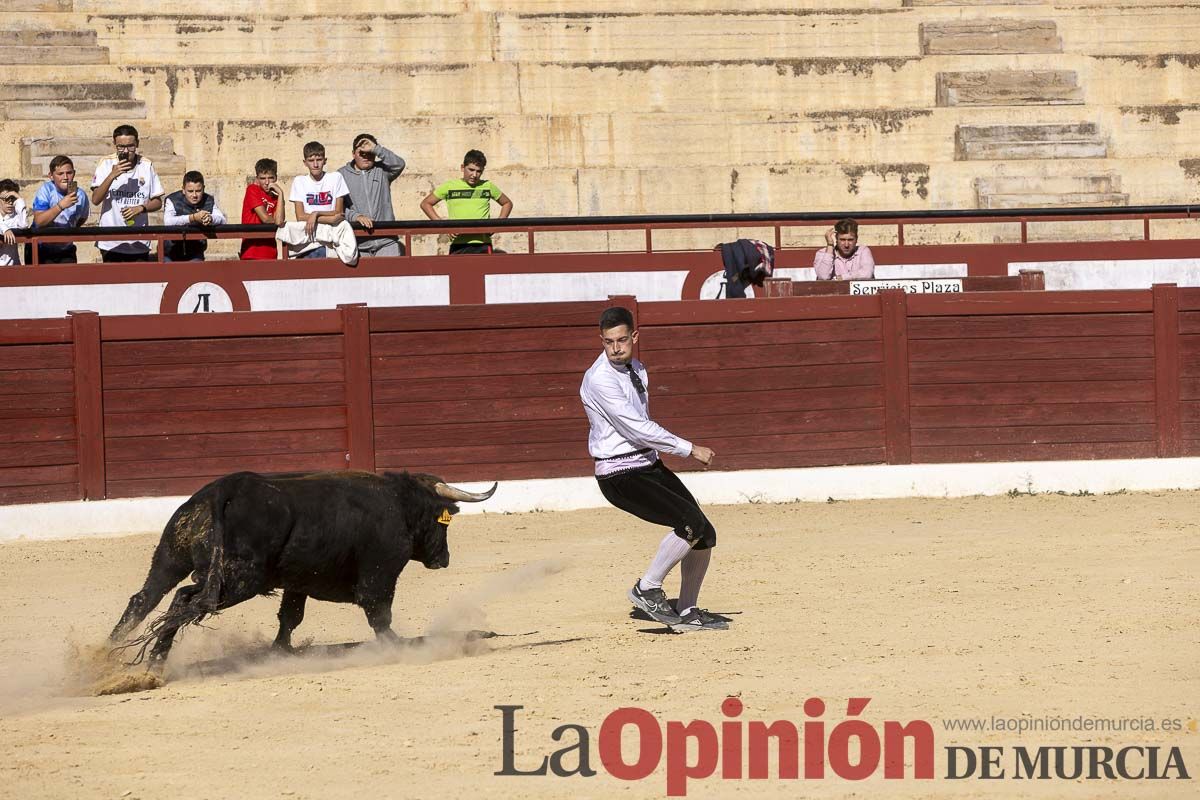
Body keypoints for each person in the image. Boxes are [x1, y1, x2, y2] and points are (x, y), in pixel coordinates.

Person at [579, 306, 727, 633]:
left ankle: (687, 611)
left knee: (703, 533)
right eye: (608, 342)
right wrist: (689, 449)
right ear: (601, 341)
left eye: (621, 340)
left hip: (646, 465)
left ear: (634, 337)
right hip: (619, 475)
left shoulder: (636, 368)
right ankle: (647, 588)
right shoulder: (599, 379)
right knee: (689, 523)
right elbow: (637, 429)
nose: (615, 348)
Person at [90, 124, 165, 262]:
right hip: (111, 241)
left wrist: (141, 208)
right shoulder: (106, 163)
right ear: (114, 144)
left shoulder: (146, 165)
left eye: (130, 146)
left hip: (139, 241)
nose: (126, 151)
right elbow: (95, 199)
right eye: (121, 147)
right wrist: (112, 176)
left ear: (137, 144)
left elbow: (158, 202)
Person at [420, 149, 512, 254]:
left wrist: (496, 225)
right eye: (471, 170)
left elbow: (507, 203)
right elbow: (426, 204)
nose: (474, 175)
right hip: (458, 244)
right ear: (462, 168)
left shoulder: (487, 186)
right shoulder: (450, 186)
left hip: (483, 243)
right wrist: (444, 227)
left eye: (479, 171)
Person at [337, 133, 406, 257]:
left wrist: (376, 149)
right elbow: (337, 208)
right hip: (358, 243)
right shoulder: (341, 175)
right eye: (361, 153)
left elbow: (399, 164)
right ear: (353, 154)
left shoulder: (382, 171)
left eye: (370, 153)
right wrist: (355, 216)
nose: (366, 157)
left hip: (387, 241)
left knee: (392, 277)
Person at [287, 141, 348, 260]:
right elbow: (300, 216)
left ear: (325, 160)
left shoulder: (335, 178)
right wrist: (330, 219)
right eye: (311, 160)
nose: (315, 164)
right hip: (308, 243)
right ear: (305, 163)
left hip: (331, 242)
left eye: (319, 159)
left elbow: (338, 211)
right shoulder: (299, 181)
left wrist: (315, 214)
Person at [28, 155, 90, 264]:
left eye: (69, 173)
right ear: (51, 176)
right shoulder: (46, 190)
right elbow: (39, 221)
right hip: (41, 248)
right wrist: (60, 206)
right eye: (60, 174)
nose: (65, 177)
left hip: (65, 249)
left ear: (74, 173)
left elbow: (81, 219)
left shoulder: (81, 195)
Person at [162, 170, 226, 262]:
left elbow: (222, 219)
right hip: (171, 251)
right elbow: (168, 222)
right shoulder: (172, 200)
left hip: (196, 251)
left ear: (203, 188)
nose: (194, 195)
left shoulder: (208, 200)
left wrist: (210, 218)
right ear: (183, 190)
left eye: (198, 191)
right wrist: (193, 218)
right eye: (190, 191)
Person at [239, 158, 286, 260]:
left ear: (276, 178)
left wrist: (281, 194)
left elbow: (280, 221)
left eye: (270, 178)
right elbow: (265, 218)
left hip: (270, 252)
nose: (267, 182)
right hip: (251, 252)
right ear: (257, 179)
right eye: (263, 178)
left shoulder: (277, 199)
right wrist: (276, 221)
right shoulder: (252, 189)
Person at [0, 180, 28, 266]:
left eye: (13, 198)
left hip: (13, 268)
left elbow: (23, 225)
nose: (10, 202)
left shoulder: (16, 218)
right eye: (6, 199)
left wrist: (19, 199)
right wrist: (5, 229)